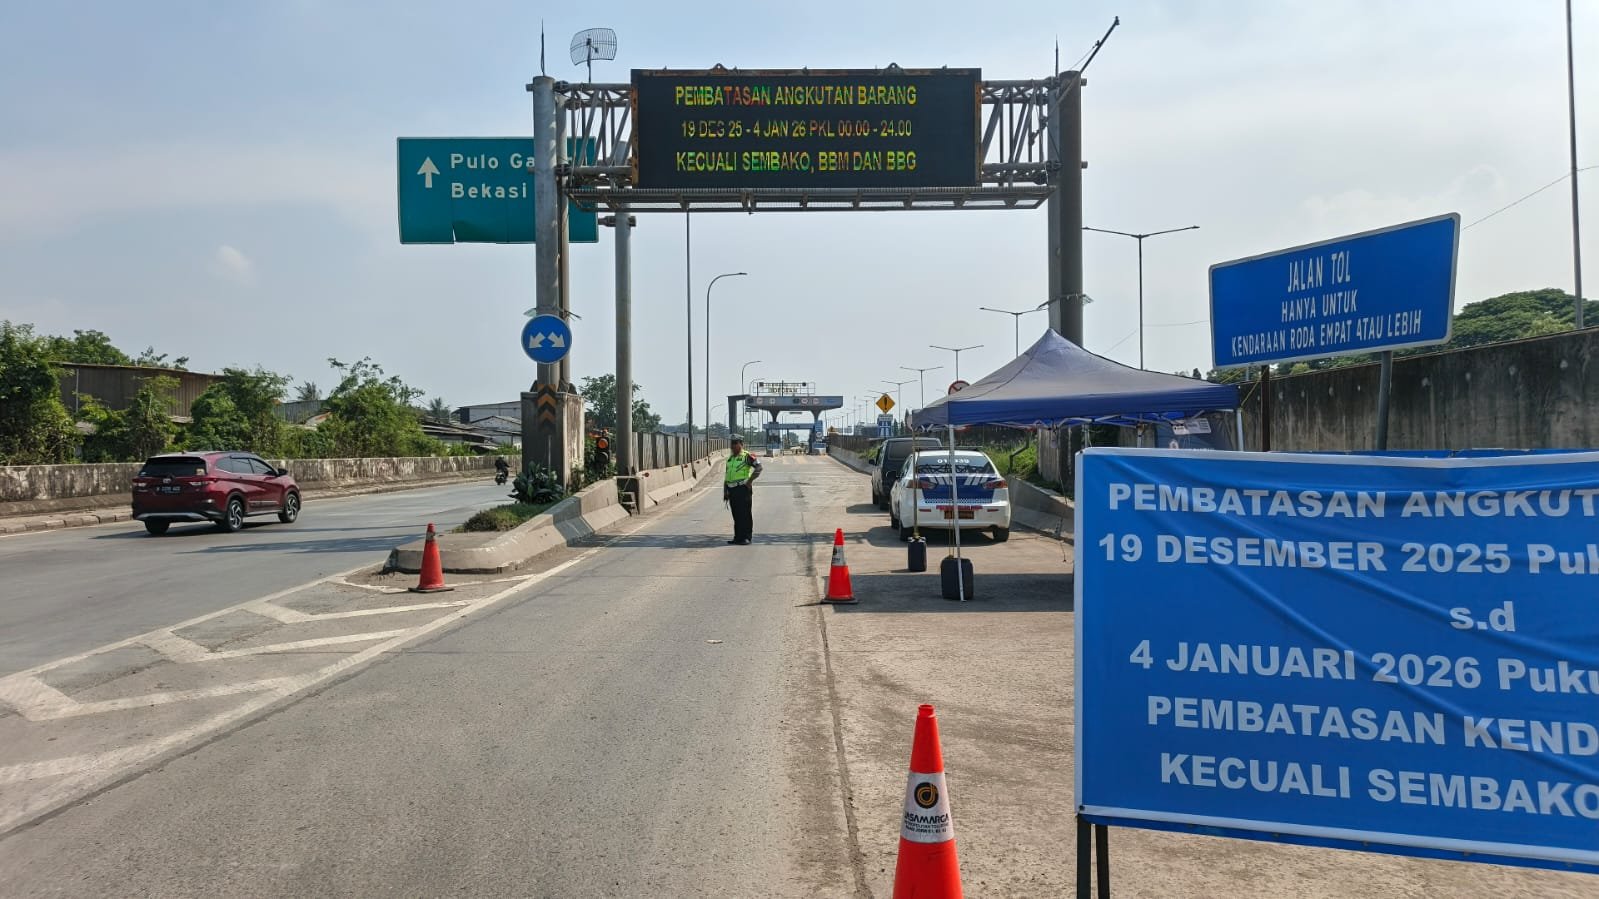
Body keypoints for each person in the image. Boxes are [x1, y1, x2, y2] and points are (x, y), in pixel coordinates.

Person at [723, 437, 763, 545]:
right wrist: (725, 491)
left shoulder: (747, 456)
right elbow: (727, 476)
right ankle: (738, 537)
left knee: (745, 514)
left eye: (735, 443)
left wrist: (750, 481)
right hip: (732, 490)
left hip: (743, 489)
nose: (733, 446)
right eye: (732, 444)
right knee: (736, 514)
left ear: (741, 444)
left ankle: (746, 537)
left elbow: (759, 468)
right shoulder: (730, 459)